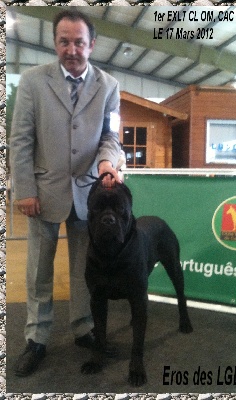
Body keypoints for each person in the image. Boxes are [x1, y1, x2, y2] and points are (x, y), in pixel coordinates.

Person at [10, 9, 121, 377]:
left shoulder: (109, 86)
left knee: (83, 270)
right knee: (38, 272)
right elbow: (21, 139)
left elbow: (111, 137)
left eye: (78, 42)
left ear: (92, 44)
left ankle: (83, 328)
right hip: (41, 193)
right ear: (55, 42)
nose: (71, 49)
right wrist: (23, 188)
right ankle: (37, 338)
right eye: (63, 41)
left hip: (90, 191)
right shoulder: (31, 81)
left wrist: (107, 163)